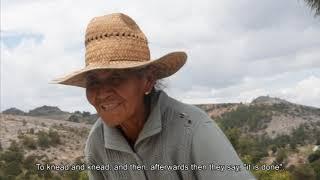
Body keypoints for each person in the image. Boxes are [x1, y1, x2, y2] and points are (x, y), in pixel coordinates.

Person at [53, 13, 255, 180]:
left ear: (148, 80)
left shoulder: (193, 130)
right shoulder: (98, 143)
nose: (103, 92)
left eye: (116, 77)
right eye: (93, 81)